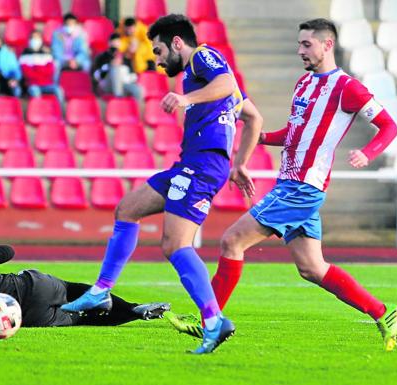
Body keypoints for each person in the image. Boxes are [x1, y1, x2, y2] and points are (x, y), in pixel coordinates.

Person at [169, 18, 397, 352]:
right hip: (292, 184)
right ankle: (384, 312)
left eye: (307, 44)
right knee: (312, 268)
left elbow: (389, 126)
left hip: (302, 188)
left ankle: (210, 321)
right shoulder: (304, 83)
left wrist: (368, 152)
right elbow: (293, 135)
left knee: (231, 241)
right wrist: (260, 137)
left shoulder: (347, 88)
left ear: (327, 45)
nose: (300, 51)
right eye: (298, 44)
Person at [60, 14, 263, 355]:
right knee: (127, 209)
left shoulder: (202, 57)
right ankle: (101, 290)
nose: (156, 60)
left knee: (175, 245)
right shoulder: (199, 78)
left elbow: (227, 83)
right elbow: (253, 117)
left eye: (158, 51)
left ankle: (214, 321)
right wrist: (240, 163)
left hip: (201, 167)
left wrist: (187, 100)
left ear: (177, 43)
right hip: (190, 165)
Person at [0, 242, 171, 328]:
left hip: (27, 318)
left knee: (85, 319)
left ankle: (134, 316)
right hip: (33, 287)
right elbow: (7, 251)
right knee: (80, 291)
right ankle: (133, 308)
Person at [19, 30, 65, 107]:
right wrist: (41, 70)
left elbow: (50, 71)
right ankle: (40, 112)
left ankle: (60, 113)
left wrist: (36, 68)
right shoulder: (24, 55)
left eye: (37, 38)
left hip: (47, 84)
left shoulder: (47, 55)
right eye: (33, 38)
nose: (35, 40)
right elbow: (27, 74)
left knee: (59, 90)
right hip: (33, 84)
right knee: (35, 92)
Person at [92, 33, 143, 101]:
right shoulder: (102, 57)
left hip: (123, 84)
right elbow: (96, 76)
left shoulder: (125, 57)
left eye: (117, 42)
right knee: (115, 69)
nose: (115, 44)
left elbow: (133, 76)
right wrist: (110, 65)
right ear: (109, 43)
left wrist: (124, 78)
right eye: (113, 42)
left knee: (138, 90)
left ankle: (135, 110)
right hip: (107, 84)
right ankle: (118, 100)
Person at [51, 13, 91, 81]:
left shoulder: (81, 34)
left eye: (72, 24)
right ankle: (55, 86)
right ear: (64, 24)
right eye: (68, 24)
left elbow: (84, 51)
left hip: (76, 60)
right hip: (62, 60)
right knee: (55, 64)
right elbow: (56, 51)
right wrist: (67, 60)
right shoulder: (57, 34)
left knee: (87, 64)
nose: (70, 26)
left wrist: (76, 60)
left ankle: (86, 86)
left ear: (76, 24)